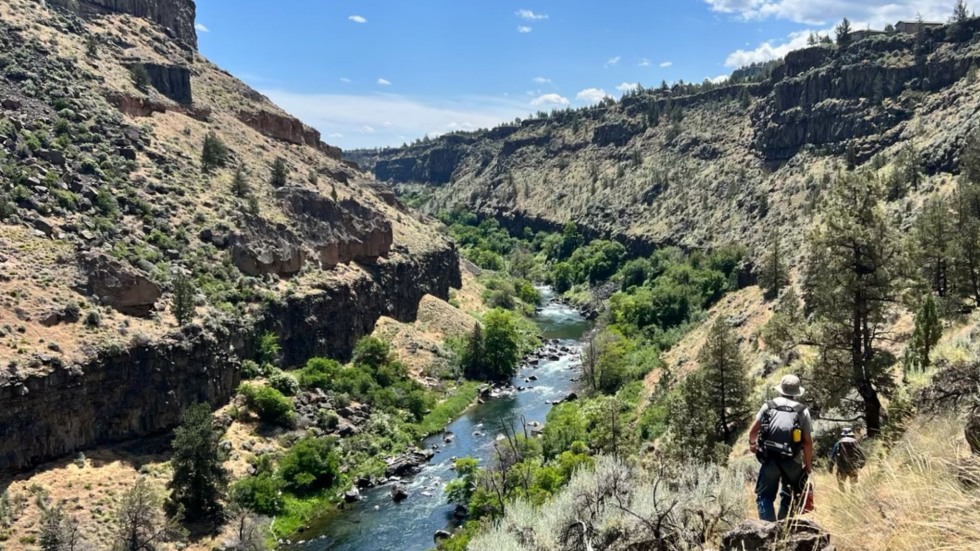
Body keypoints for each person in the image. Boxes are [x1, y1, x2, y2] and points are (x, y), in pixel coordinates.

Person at [749, 374, 814, 521]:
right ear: (797, 392)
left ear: (781, 389)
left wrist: (753, 445)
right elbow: (808, 442)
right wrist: (808, 464)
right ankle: (783, 529)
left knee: (764, 496)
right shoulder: (802, 411)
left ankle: (768, 532)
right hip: (793, 460)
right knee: (790, 494)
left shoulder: (769, 406)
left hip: (770, 458)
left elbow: (753, 431)